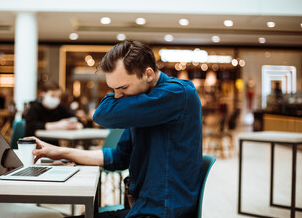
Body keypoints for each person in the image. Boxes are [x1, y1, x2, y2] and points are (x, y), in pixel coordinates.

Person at [29, 40, 203, 218]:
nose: (118, 96)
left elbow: (102, 114)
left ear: (148, 74)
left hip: (161, 212)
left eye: (123, 88)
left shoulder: (178, 94)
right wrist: (61, 152)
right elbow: (119, 157)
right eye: (113, 89)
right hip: (142, 208)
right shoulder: (143, 103)